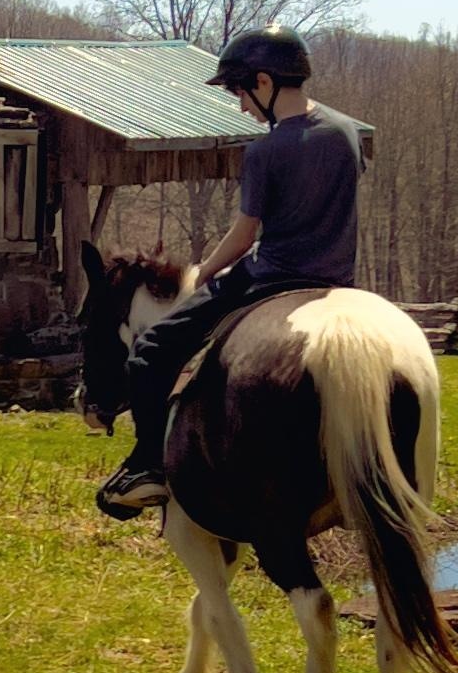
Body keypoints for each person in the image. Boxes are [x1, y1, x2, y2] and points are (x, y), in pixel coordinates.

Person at [95, 30, 363, 515]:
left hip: (273, 277)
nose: (241, 105)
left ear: (265, 82)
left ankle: (148, 465)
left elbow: (243, 236)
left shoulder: (266, 151)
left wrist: (207, 272)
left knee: (150, 352)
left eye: (241, 92)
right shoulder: (345, 132)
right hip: (338, 282)